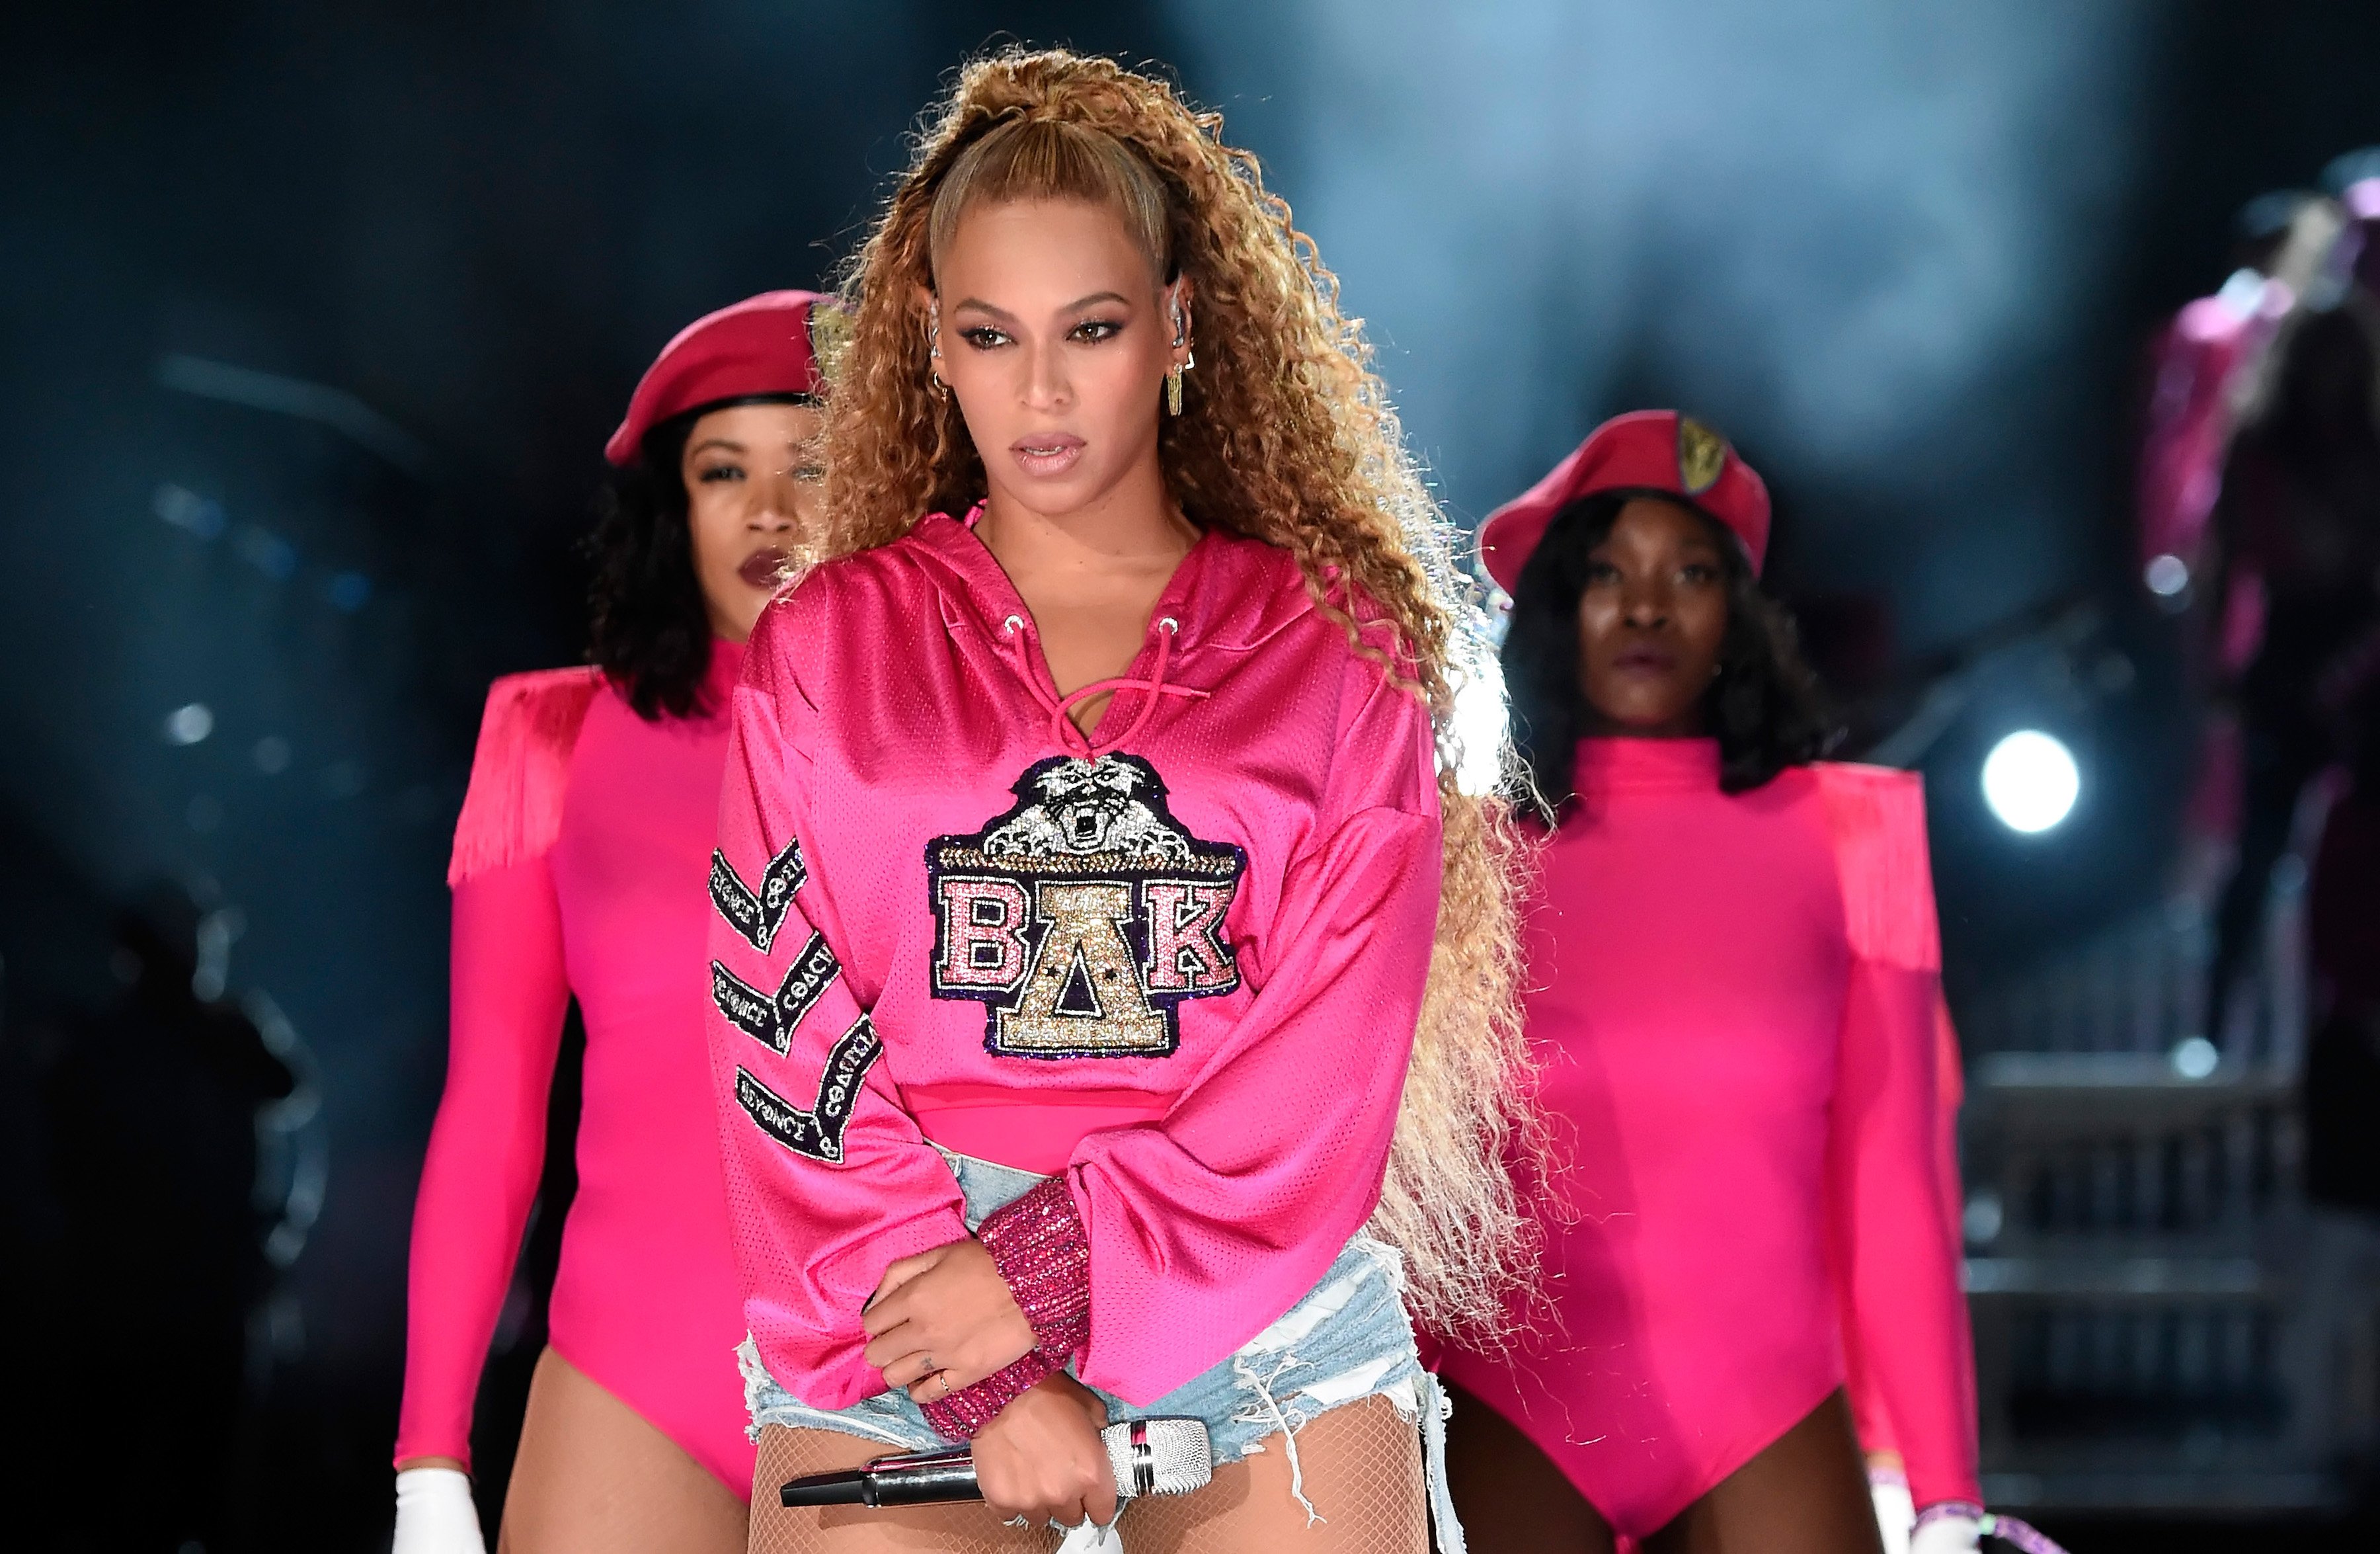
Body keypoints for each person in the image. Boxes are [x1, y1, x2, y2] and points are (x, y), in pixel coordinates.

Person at [708, 48, 1532, 1554]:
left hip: (1262, 1310)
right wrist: (991, 1356)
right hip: (898, 1298)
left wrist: (1038, 1271)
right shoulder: (823, 646)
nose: (1040, 391)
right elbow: (783, 1022)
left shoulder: (1337, 650)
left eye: (1089, 328)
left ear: (1177, 326)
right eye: (989, 333)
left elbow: (1330, 1062)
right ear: (929, 342)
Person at [1445, 412, 1996, 1554]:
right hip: (1514, 1398)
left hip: (1767, 1403)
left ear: (1736, 618)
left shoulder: (1857, 838)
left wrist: (1946, 1497)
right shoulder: (1460, 855)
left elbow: (1899, 1180)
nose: (1647, 607)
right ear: (1557, 607)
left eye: (1691, 573)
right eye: (1607, 573)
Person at [393, 291, 834, 1554]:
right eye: (722, 471)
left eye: (811, 466)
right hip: (628, 1388)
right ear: (671, 505)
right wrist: (431, 1461)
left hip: (914, 1381)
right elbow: (490, 1109)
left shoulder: (958, 742)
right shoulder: (553, 738)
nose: (766, 509)